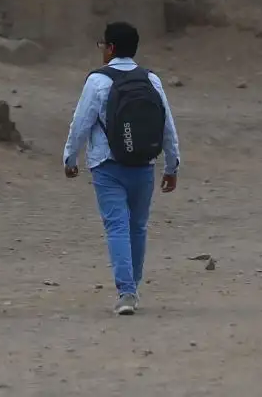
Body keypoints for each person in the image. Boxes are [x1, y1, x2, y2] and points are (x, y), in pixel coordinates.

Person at [62, 21, 181, 316]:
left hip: (107, 164)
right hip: (143, 163)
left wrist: (70, 158)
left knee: (116, 225)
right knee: (137, 226)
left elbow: (81, 123)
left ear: (111, 48)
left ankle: (126, 292)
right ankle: (133, 288)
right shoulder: (151, 79)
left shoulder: (97, 81)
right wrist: (172, 164)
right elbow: (166, 124)